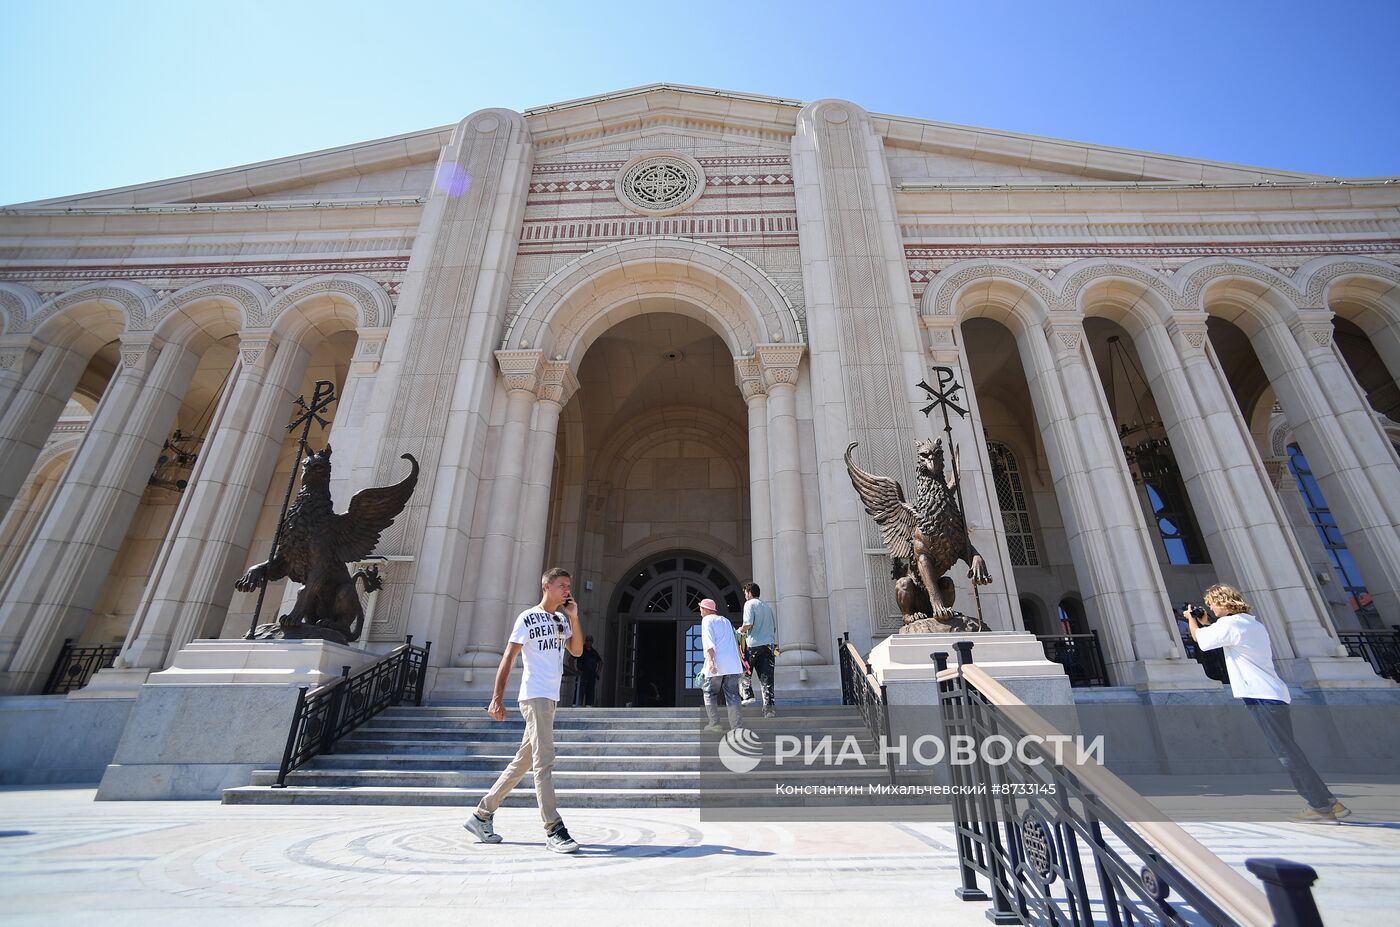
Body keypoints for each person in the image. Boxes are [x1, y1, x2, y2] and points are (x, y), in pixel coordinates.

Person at [1185, 583, 1351, 824]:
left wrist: (1191, 619)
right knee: (1289, 750)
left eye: (1212, 604)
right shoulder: (1251, 623)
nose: (1211, 609)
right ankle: (1327, 803)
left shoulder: (1230, 624)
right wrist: (1208, 623)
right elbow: (1222, 637)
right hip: (1272, 693)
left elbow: (1201, 640)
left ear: (1222, 603)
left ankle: (1321, 805)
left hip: (1261, 695)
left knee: (1287, 754)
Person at [464, 567, 584, 853]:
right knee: (544, 762)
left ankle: (482, 815)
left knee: (524, 761)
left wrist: (574, 618)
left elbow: (577, 651)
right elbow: (508, 656)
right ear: (546, 586)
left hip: (550, 698)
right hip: (534, 696)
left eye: (569, 586)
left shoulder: (560, 620)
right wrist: (497, 697)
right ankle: (554, 828)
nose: (567, 590)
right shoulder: (528, 617)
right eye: (562, 586)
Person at [699, 597, 744, 733]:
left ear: (706, 609)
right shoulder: (726, 621)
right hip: (733, 665)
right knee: (733, 696)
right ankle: (737, 727)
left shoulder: (707, 620)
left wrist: (711, 662)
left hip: (718, 663)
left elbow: (709, 643)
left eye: (701, 608)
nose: (700, 610)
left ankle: (714, 724)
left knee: (709, 693)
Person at [738, 581, 778, 718]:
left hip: (752, 644)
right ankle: (769, 710)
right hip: (769, 645)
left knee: (744, 669)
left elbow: (748, 623)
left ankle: (748, 695)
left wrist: (740, 631)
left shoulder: (749, 604)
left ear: (749, 593)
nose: (745, 596)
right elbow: (774, 628)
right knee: (767, 679)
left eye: (745, 594)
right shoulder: (768, 607)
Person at [574, 636, 602, 707]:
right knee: (579, 692)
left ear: (592, 642)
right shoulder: (580, 650)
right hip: (582, 674)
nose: (588, 642)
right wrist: (574, 671)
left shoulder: (594, 652)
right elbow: (570, 659)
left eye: (590, 641)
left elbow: (600, 662)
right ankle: (577, 705)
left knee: (590, 692)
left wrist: (598, 672)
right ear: (585, 641)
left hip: (591, 675)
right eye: (587, 641)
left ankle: (588, 706)